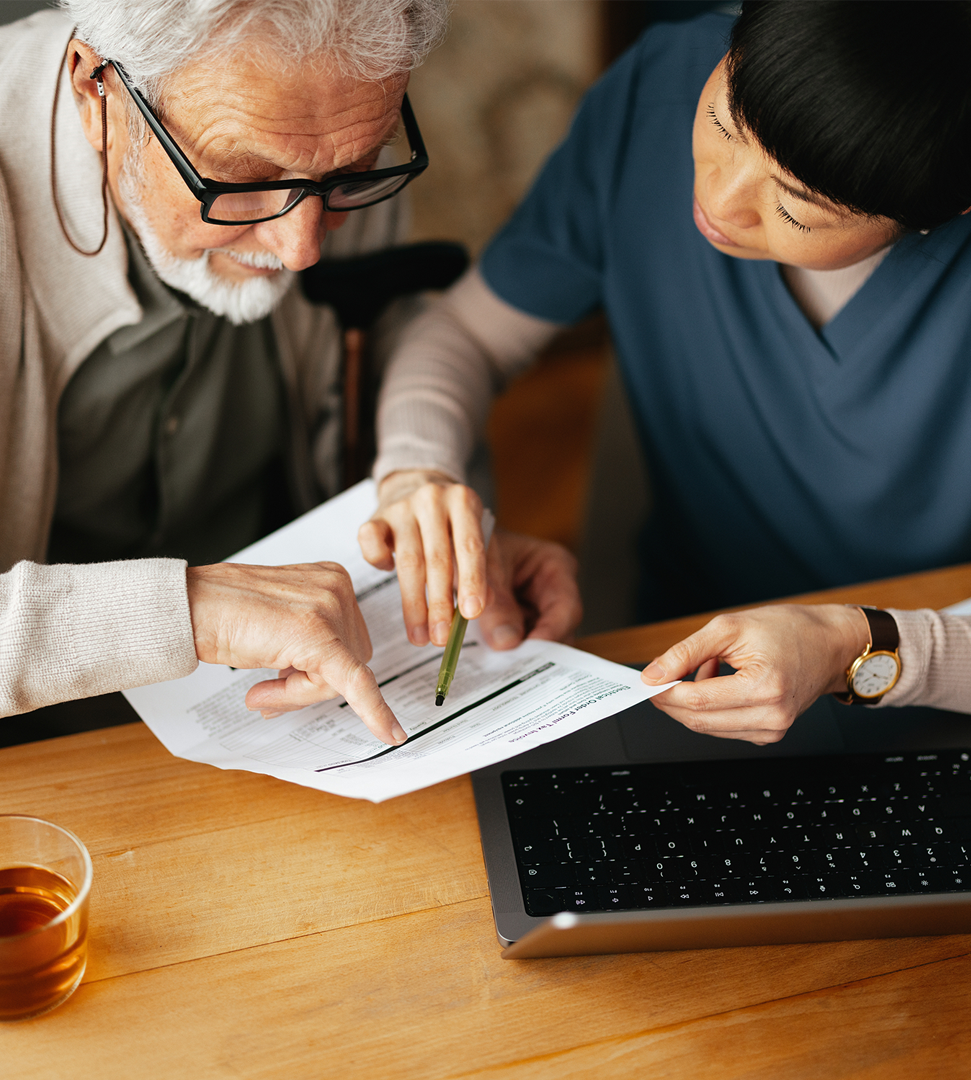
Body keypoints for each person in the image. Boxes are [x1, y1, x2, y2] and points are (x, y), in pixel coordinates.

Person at [363, 0, 971, 745]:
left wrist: (861, 648)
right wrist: (417, 472)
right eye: (723, 124)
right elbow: (466, 333)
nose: (719, 200)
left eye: (800, 207)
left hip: (932, 703)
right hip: (679, 671)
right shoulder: (665, 78)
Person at [0, 0, 459, 761]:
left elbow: (392, 333)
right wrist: (185, 611)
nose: (301, 250)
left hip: (291, 727)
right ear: (98, 92)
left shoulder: (325, 145)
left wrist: (431, 506)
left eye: (352, 173)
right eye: (242, 180)